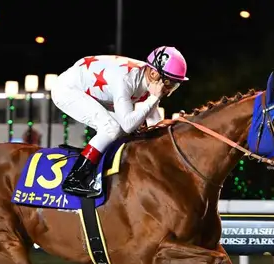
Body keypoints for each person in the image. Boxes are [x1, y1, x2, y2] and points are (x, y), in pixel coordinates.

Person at [50, 46, 189, 197]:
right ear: (154, 74)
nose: (169, 90)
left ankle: (99, 163)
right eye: (169, 83)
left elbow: (154, 123)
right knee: (111, 129)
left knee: (128, 131)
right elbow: (128, 125)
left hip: (93, 91)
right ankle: (74, 179)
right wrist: (153, 99)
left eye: (175, 85)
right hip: (68, 90)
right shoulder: (127, 80)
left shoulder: (148, 79)